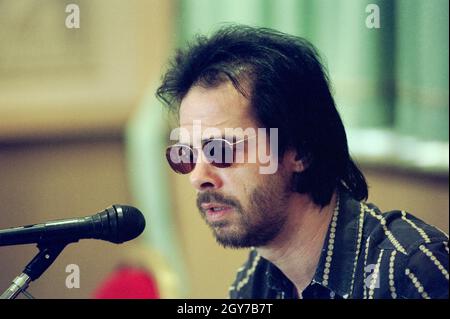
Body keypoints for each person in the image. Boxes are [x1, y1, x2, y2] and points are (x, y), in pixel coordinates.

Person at [156, 25, 449, 299]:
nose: (197, 177)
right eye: (187, 154)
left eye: (220, 150)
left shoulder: (412, 271)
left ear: (300, 151)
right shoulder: (254, 282)